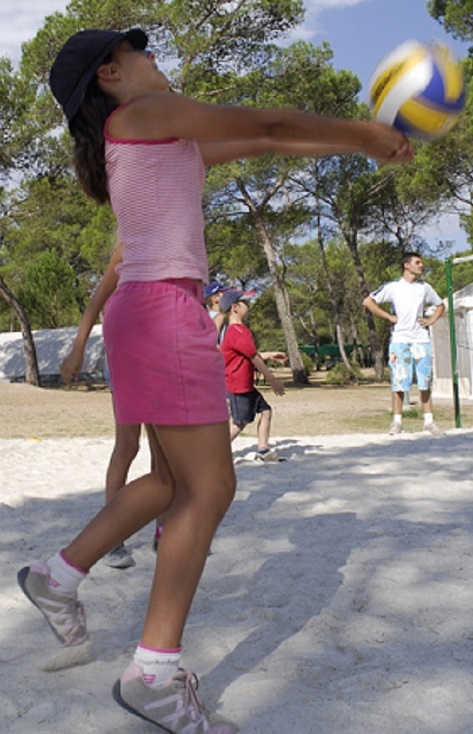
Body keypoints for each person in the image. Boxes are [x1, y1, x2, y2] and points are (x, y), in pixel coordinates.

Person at [17, 26, 413, 733]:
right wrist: (362, 131)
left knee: (172, 483)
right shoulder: (139, 116)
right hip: (163, 312)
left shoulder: (151, 137)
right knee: (211, 487)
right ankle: (153, 673)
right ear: (111, 73)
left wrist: (363, 142)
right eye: (139, 51)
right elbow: (261, 120)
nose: (153, 56)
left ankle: (58, 574)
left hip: (145, 316)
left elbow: (265, 142)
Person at [60, 243, 165, 568]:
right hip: (126, 358)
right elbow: (97, 301)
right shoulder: (127, 250)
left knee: (163, 452)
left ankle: (164, 532)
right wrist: (77, 350)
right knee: (127, 446)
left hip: (159, 358)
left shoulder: (171, 247)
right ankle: (112, 539)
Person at [362, 251, 445, 436]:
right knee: (399, 383)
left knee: (425, 382)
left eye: (421, 263)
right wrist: (388, 316)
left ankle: (429, 421)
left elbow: (441, 305)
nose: (421, 265)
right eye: (418, 262)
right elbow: (368, 301)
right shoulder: (393, 287)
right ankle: (397, 422)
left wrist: (431, 320)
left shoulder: (424, 287)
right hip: (399, 340)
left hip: (421, 339)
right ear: (407, 265)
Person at [220, 289, 288, 461]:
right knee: (240, 423)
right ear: (235, 307)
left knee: (265, 411)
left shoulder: (240, 331)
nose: (248, 306)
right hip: (238, 386)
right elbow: (254, 359)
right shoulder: (237, 332)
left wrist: (270, 354)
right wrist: (273, 380)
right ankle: (215, 452)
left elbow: (251, 356)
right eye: (245, 303)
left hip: (245, 385)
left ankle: (263, 450)